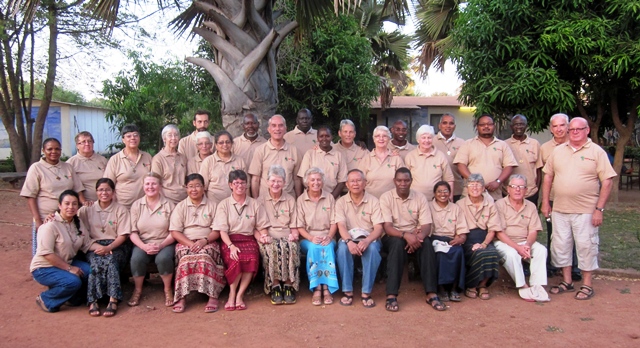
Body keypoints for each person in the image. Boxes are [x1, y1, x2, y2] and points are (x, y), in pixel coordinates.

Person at [541, 117, 616, 300]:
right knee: (561, 245)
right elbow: (548, 177)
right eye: (571, 129)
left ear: (587, 130)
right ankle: (567, 281)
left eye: (578, 129)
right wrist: (545, 202)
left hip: (586, 211)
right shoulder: (558, 151)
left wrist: (599, 209)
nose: (574, 132)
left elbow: (607, 181)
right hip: (560, 209)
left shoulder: (596, 152)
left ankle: (587, 284)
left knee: (586, 246)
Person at [379, 168, 443, 312]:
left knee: (426, 244)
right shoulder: (386, 197)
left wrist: (417, 238)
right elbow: (388, 227)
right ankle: (391, 295)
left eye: (406, 180)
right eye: (399, 180)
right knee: (396, 244)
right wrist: (405, 235)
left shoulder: (420, 197)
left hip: (415, 235)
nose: (403, 183)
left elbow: (427, 225)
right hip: (394, 236)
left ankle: (431, 293)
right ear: (394, 181)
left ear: (411, 181)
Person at [213, 170, 271, 311]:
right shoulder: (224, 204)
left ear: (247, 185)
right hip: (230, 240)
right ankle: (232, 294)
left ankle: (240, 295)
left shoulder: (255, 204)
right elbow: (222, 231)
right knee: (236, 259)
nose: (240, 186)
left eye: (243, 183)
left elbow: (260, 227)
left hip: (248, 239)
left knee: (250, 257)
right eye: (236, 183)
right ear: (230, 185)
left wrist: (263, 236)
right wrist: (231, 246)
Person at [30, 190, 96, 313]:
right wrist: (69, 269)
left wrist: (107, 248)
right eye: (67, 204)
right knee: (73, 281)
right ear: (60, 205)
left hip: (67, 262)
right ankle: (46, 299)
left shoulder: (77, 222)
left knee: (90, 271)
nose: (70, 207)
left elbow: (87, 244)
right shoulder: (50, 225)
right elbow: (47, 254)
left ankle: (72, 298)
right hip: (45, 267)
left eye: (74, 204)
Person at [169, 174, 226, 313]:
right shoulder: (181, 206)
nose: (194, 189)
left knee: (205, 256)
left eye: (198, 186)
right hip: (186, 241)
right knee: (184, 259)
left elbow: (217, 230)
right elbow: (175, 232)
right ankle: (182, 296)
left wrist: (204, 241)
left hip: (207, 240)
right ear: (186, 188)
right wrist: (190, 244)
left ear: (204, 187)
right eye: (190, 186)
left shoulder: (213, 205)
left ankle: (212, 295)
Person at [21, 138, 85, 255]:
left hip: (67, 217)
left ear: (60, 151)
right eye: (49, 149)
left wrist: (84, 204)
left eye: (57, 149)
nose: (53, 152)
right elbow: (30, 196)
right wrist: (38, 220)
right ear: (43, 150)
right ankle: (45, 272)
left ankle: (66, 270)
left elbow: (78, 189)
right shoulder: (36, 168)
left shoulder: (67, 167)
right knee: (46, 250)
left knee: (66, 248)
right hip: (46, 217)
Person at [78, 178, 130, 317]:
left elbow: (123, 235)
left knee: (111, 261)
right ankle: (93, 299)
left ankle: (113, 299)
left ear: (113, 192)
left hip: (116, 245)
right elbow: (77, 227)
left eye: (108, 189)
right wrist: (98, 248)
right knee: (95, 262)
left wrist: (109, 248)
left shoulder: (121, 209)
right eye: (101, 190)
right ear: (96, 192)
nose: (104, 193)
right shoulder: (86, 210)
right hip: (93, 245)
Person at [540, 113, 581, 279]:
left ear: (568, 126)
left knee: (575, 234)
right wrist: (544, 201)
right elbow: (544, 176)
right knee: (554, 234)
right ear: (551, 128)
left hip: (575, 199)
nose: (559, 129)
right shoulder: (544, 148)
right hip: (553, 198)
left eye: (562, 125)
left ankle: (575, 268)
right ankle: (553, 265)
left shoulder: (577, 145)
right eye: (555, 126)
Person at [495, 175, 548, 301]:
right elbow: (499, 233)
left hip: (524, 241)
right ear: (508, 189)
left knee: (541, 250)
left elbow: (533, 230)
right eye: (514, 187)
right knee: (512, 254)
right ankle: (523, 286)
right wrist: (518, 248)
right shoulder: (499, 205)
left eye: (521, 187)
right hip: (504, 242)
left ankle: (537, 285)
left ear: (526, 190)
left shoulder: (531, 206)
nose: (517, 190)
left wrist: (527, 245)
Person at [335, 169, 383, 308]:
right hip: (348, 237)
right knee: (343, 249)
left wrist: (367, 240)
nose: (355, 184)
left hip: (369, 237)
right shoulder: (341, 202)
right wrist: (349, 242)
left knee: (373, 249)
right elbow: (341, 226)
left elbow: (378, 228)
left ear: (365, 183)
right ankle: (347, 291)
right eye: (352, 181)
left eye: (359, 180)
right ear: (347, 184)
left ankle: (366, 292)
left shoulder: (374, 201)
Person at [128, 172, 176, 307]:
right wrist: (143, 247)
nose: (151, 187)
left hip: (165, 242)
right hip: (142, 242)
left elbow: (174, 232)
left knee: (163, 259)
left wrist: (161, 246)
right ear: (143, 186)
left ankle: (167, 289)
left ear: (160, 186)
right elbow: (132, 232)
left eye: (154, 183)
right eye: (147, 184)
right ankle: (137, 290)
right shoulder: (137, 205)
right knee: (136, 259)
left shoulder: (169, 205)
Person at [257, 165, 301, 305]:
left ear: (284, 183)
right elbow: (259, 225)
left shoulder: (290, 200)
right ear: (267, 182)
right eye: (273, 181)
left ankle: (289, 284)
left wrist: (294, 235)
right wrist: (264, 236)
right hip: (268, 234)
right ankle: (275, 285)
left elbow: (294, 225)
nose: (276, 184)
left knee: (291, 246)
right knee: (272, 248)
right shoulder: (260, 200)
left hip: (286, 234)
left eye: (279, 181)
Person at [296, 167, 339, 306]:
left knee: (327, 247)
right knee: (315, 248)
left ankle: (326, 287)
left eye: (318, 179)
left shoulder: (330, 197)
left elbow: (334, 222)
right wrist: (310, 238)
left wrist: (329, 236)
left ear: (323, 181)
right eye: (312, 179)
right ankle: (316, 287)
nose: (316, 182)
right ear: (307, 182)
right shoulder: (301, 200)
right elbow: (299, 226)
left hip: (327, 235)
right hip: (308, 238)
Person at [456, 174, 501, 300]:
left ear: (483, 188)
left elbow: (492, 229)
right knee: (479, 253)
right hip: (466, 238)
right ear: (466, 187)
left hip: (484, 237)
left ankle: (482, 285)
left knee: (491, 252)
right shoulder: (460, 204)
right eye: (471, 184)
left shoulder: (490, 204)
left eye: (478, 184)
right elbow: (458, 228)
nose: (474, 187)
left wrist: (484, 244)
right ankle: (471, 284)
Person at [454, 114, 518, 200]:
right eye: (482, 124)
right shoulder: (468, 144)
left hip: (495, 195)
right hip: (470, 195)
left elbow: (509, 166)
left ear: (494, 126)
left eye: (489, 124)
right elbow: (461, 165)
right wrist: (475, 182)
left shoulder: (502, 145)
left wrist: (497, 182)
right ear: (477, 127)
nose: (486, 126)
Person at [428, 181, 467, 303]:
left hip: (451, 240)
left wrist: (461, 239)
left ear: (450, 193)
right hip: (434, 239)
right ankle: (442, 288)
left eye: (445, 191)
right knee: (440, 254)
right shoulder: (428, 207)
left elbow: (462, 231)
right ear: (434, 193)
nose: (443, 194)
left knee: (458, 251)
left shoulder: (456, 208)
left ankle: (454, 288)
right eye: (439, 191)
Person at [249, 115, 302, 198]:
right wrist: (256, 201)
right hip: (265, 202)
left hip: (288, 201)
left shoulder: (294, 151)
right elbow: (255, 179)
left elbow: (297, 179)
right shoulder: (260, 150)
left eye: (281, 125)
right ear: (269, 129)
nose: (277, 129)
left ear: (285, 129)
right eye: (274, 126)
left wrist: (298, 200)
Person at [103, 124, 153, 209]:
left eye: (135, 135)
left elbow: (154, 179)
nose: (132, 138)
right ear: (123, 139)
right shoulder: (115, 159)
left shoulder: (147, 157)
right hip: (122, 206)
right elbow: (108, 184)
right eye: (128, 136)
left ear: (139, 138)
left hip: (145, 206)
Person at [404, 125, 454, 201]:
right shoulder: (410, 156)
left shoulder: (440, 156)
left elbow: (449, 179)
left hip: (436, 201)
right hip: (414, 200)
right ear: (418, 140)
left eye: (429, 137)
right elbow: (404, 180)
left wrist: (450, 199)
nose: (426, 141)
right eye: (423, 138)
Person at [297, 125, 347, 199]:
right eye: (321, 136)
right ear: (317, 138)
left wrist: (331, 198)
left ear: (331, 137)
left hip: (333, 198)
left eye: (327, 136)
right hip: (312, 199)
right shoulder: (310, 154)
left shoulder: (338, 155)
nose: (324, 139)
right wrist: (314, 194)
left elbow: (342, 181)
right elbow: (303, 178)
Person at [357, 126, 406, 198]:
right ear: (374, 139)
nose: (381, 139)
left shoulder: (396, 159)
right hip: (370, 203)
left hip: (392, 202)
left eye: (384, 136)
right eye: (377, 136)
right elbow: (359, 181)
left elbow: (403, 181)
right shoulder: (366, 159)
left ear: (389, 139)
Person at [200, 130, 247, 203]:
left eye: (228, 142)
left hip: (236, 205)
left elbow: (246, 186)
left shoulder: (239, 161)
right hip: (214, 205)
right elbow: (203, 188)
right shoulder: (208, 162)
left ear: (232, 144)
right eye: (221, 143)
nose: (225, 145)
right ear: (215, 145)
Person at [505, 115, 543, 205]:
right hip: (509, 193)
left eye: (522, 124)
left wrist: (536, 189)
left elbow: (538, 169)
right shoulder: (504, 144)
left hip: (530, 193)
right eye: (516, 124)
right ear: (511, 127)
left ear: (526, 126)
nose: (519, 127)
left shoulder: (535, 144)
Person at [66, 131, 108, 203]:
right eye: (83, 142)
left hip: (105, 201)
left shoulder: (103, 160)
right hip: (84, 204)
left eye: (89, 141)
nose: (87, 144)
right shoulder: (70, 163)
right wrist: (84, 202)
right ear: (77, 145)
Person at [152, 124, 188, 204]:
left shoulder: (182, 157)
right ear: (164, 138)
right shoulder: (158, 159)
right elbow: (155, 182)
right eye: (170, 135)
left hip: (184, 201)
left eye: (176, 135)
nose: (173, 138)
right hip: (166, 201)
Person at [434, 113, 466, 202]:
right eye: (445, 123)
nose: (448, 126)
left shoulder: (462, 143)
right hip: (436, 190)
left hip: (456, 189)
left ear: (454, 126)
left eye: (451, 123)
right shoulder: (431, 142)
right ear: (439, 126)